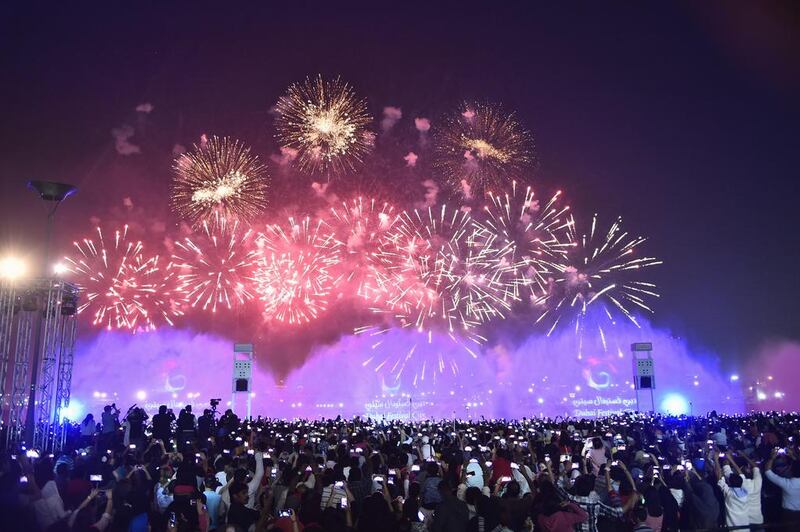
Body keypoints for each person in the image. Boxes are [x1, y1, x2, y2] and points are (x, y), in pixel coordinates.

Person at [765, 447, 800, 526]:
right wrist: (792, 456)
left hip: (789, 514)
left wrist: (772, 458)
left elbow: (768, 471)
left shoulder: (787, 484)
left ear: (790, 470)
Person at [715, 452, 749, 528]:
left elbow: (719, 478)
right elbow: (741, 475)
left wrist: (716, 460)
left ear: (729, 483)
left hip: (733, 529)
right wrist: (730, 459)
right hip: (746, 528)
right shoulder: (745, 491)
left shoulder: (729, 493)